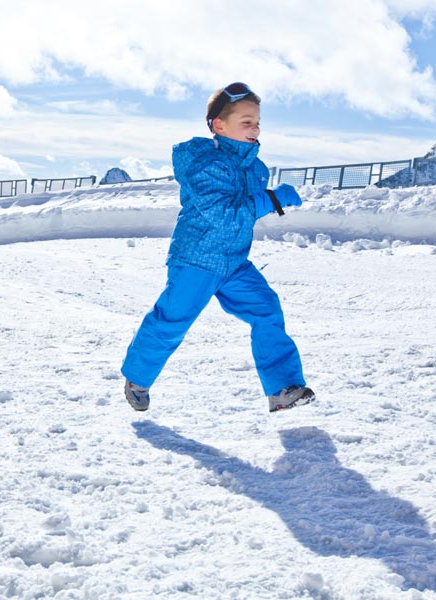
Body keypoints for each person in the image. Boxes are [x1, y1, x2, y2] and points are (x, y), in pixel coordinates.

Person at [121, 82, 315, 413]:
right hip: (197, 259)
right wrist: (271, 199)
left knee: (267, 309)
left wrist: (267, 198)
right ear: (218, 126)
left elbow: (241, 217)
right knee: (172, 320)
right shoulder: (204, 164)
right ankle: (138, 377)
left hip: (234, 263)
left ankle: (283, 388)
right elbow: (224, 215)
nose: (255, 129)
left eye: (257, 122)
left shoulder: (255, 168)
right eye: (246, 121)